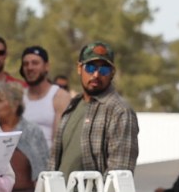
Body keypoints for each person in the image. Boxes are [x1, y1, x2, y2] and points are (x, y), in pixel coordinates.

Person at [55, 40, 140, 177]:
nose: (96, 74)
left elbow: (119, 174)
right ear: (79, 68)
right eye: (90, 67)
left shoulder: (120, 111)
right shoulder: (73, 105)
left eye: (104, 69)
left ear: (112, 73)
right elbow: (55, 160)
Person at [18, 44, 69, 144]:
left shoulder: (59, 96)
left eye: (35, 63)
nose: (30, 68)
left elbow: (59, 140)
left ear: (46, 66)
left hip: (48, 157)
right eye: (26, 64)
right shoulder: (19, 97)